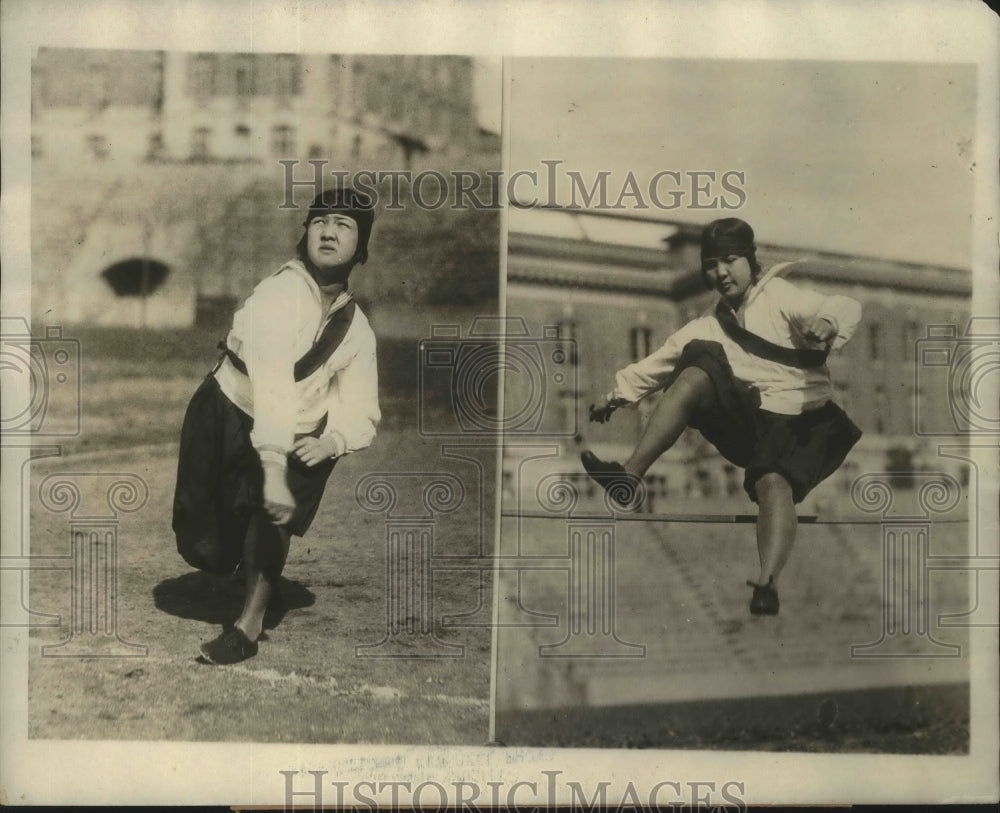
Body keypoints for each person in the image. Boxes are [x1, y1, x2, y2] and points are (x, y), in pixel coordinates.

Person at [581, 217, 862, 616]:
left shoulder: (783, 297)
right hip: (753, 422)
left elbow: (844, 305)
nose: (720, 273)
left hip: (802, 422)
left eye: (729, 260)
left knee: (773, 482)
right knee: (696, 365)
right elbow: (663, 359)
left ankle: (767, 583)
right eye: (711, 264)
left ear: (750, 258)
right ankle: (629, 478)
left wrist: (827, 322)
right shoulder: (712, 323)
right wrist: (618, 395)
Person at [172, 187, 381, 663]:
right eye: (320, 221)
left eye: (344, 225)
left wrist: (333, 441)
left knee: (273, 519)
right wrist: (269, 467)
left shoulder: (357, 329)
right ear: (305, 232)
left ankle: (248, 625)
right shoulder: (277, 295)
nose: (328, 230)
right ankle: (252, 564)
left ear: (361, 248)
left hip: (298, 433)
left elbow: (362, 404)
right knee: (206, 549)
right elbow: (272, 386)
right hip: (228, 409)